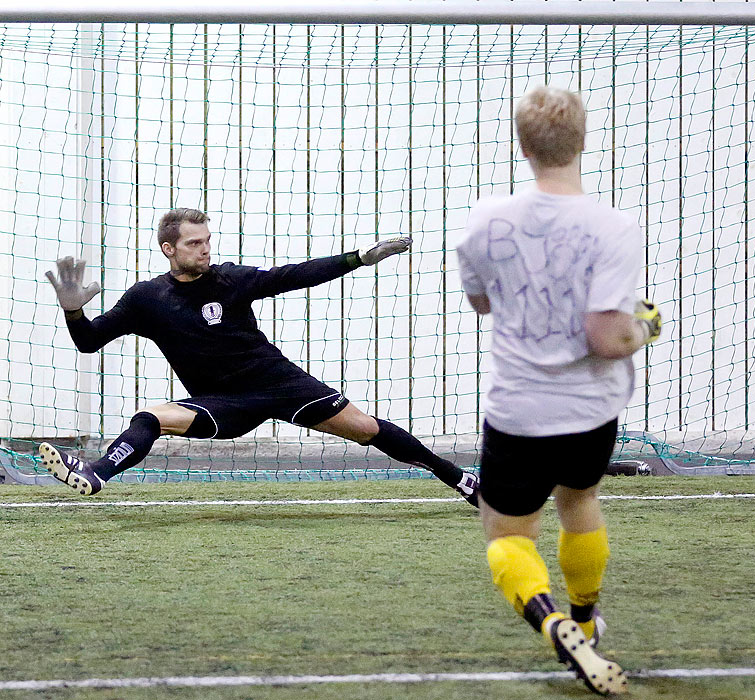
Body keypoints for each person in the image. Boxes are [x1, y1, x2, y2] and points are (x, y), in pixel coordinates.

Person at [40, 208, 479, 506]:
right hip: (223, 403)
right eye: (194, 243)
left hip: (280, 384)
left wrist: (359, 258)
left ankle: (460, 480)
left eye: (207, 241)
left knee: (366, 429)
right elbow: (89, 341)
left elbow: (293, 276)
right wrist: (73, 309)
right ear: (168, 249)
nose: (205, 250)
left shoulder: (231, 279)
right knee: (150, 418)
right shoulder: (145, 299)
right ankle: (95, 473)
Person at [456, 86, 660, 695]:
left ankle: (552, 627)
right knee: (579, 502)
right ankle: (585, 618)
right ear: (583, 142)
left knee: (508, 536)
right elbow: (606, 335)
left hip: (518, 408)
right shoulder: (615, 226)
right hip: (592, 410)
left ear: (523, 146)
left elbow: (481, 303)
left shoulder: (484, 222)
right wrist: (645, 327)